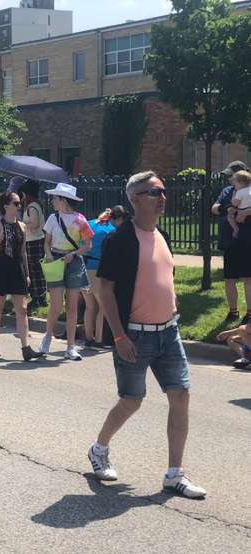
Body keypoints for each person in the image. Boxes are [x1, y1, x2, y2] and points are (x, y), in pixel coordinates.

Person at [88, 170, 206, 499]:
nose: (163, 197)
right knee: (131, 400)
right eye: (155, 192)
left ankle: (174, 474)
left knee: (180, 394)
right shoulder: (120, 239)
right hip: (135, 335)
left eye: (163, 191)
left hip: (169, 332)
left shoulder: (163, 234)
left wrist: (171, 302)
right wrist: (119, 336)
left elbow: (161, 275)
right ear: (135, 198)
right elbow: (105, 289)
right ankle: (99, 449)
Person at [0, 192, 44, 361]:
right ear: (6, 206)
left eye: (19, 203)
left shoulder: (22, 226)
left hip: (17, 269)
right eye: (16, 203)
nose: (19, 206)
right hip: (2, 267)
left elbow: (23, 252)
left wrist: (27, 273)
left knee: (22, 309)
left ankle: (26, 348)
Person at [39, 183, 93, 361]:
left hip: (74, 262)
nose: (52, 201)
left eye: (55, 198)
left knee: (72, 306)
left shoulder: (80, 219)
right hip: (55, 260)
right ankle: (47, 337)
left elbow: (87, 245)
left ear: (63, 200)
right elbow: (46, 242)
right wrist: (48, 255)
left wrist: (74, 254)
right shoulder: (53, 218)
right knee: (56, 304)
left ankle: (70, 346)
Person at [211, 160, 251, 325]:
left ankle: (250, 313)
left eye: (231, 176)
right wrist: (226, 208)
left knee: (248, 278)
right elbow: (214, 208)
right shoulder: (227, 191)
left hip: (247, 239)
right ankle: (233, 312)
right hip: (230, 241)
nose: (228, 179)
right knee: (229, 279)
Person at [82, 206, 126, 348]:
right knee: (103, 307)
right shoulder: (111, 229)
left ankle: (88, 338)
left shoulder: (89, 223)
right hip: (97, 268)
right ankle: (99, 340)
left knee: (89, 306)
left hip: (83, 267)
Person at [20, 180, 47, 310]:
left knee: (34, 270)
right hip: (36, 240)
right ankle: (39, 296)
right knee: (36, 269)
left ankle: (38, 297)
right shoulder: (35, 205)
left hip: (34, 241)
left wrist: (22, 225)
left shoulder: (32, 207)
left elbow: (35, 224)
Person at [227, 170, 251, 239]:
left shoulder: (240, 192)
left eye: (235, 185)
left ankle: (235, 229)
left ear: (241, 183)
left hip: (241, 209)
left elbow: (235, 203)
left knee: (230, 216)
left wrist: (233, 196)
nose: (234, 187)